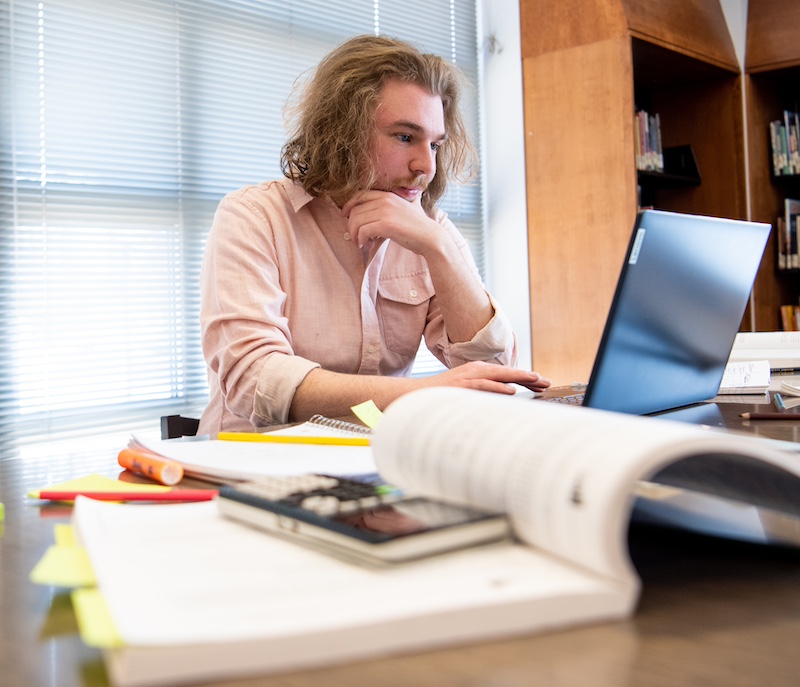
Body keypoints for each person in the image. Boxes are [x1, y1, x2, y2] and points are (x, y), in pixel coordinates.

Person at [198, 34, 550, 434]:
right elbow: (255, 380)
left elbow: (498, 372)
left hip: (375, 461)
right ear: (341, 132)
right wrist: (421, 393)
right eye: (405, 137)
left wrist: (438, 248)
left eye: (435, 145)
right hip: (248, 467)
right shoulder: (253, 217)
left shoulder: (426, 229)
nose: (426, 166)